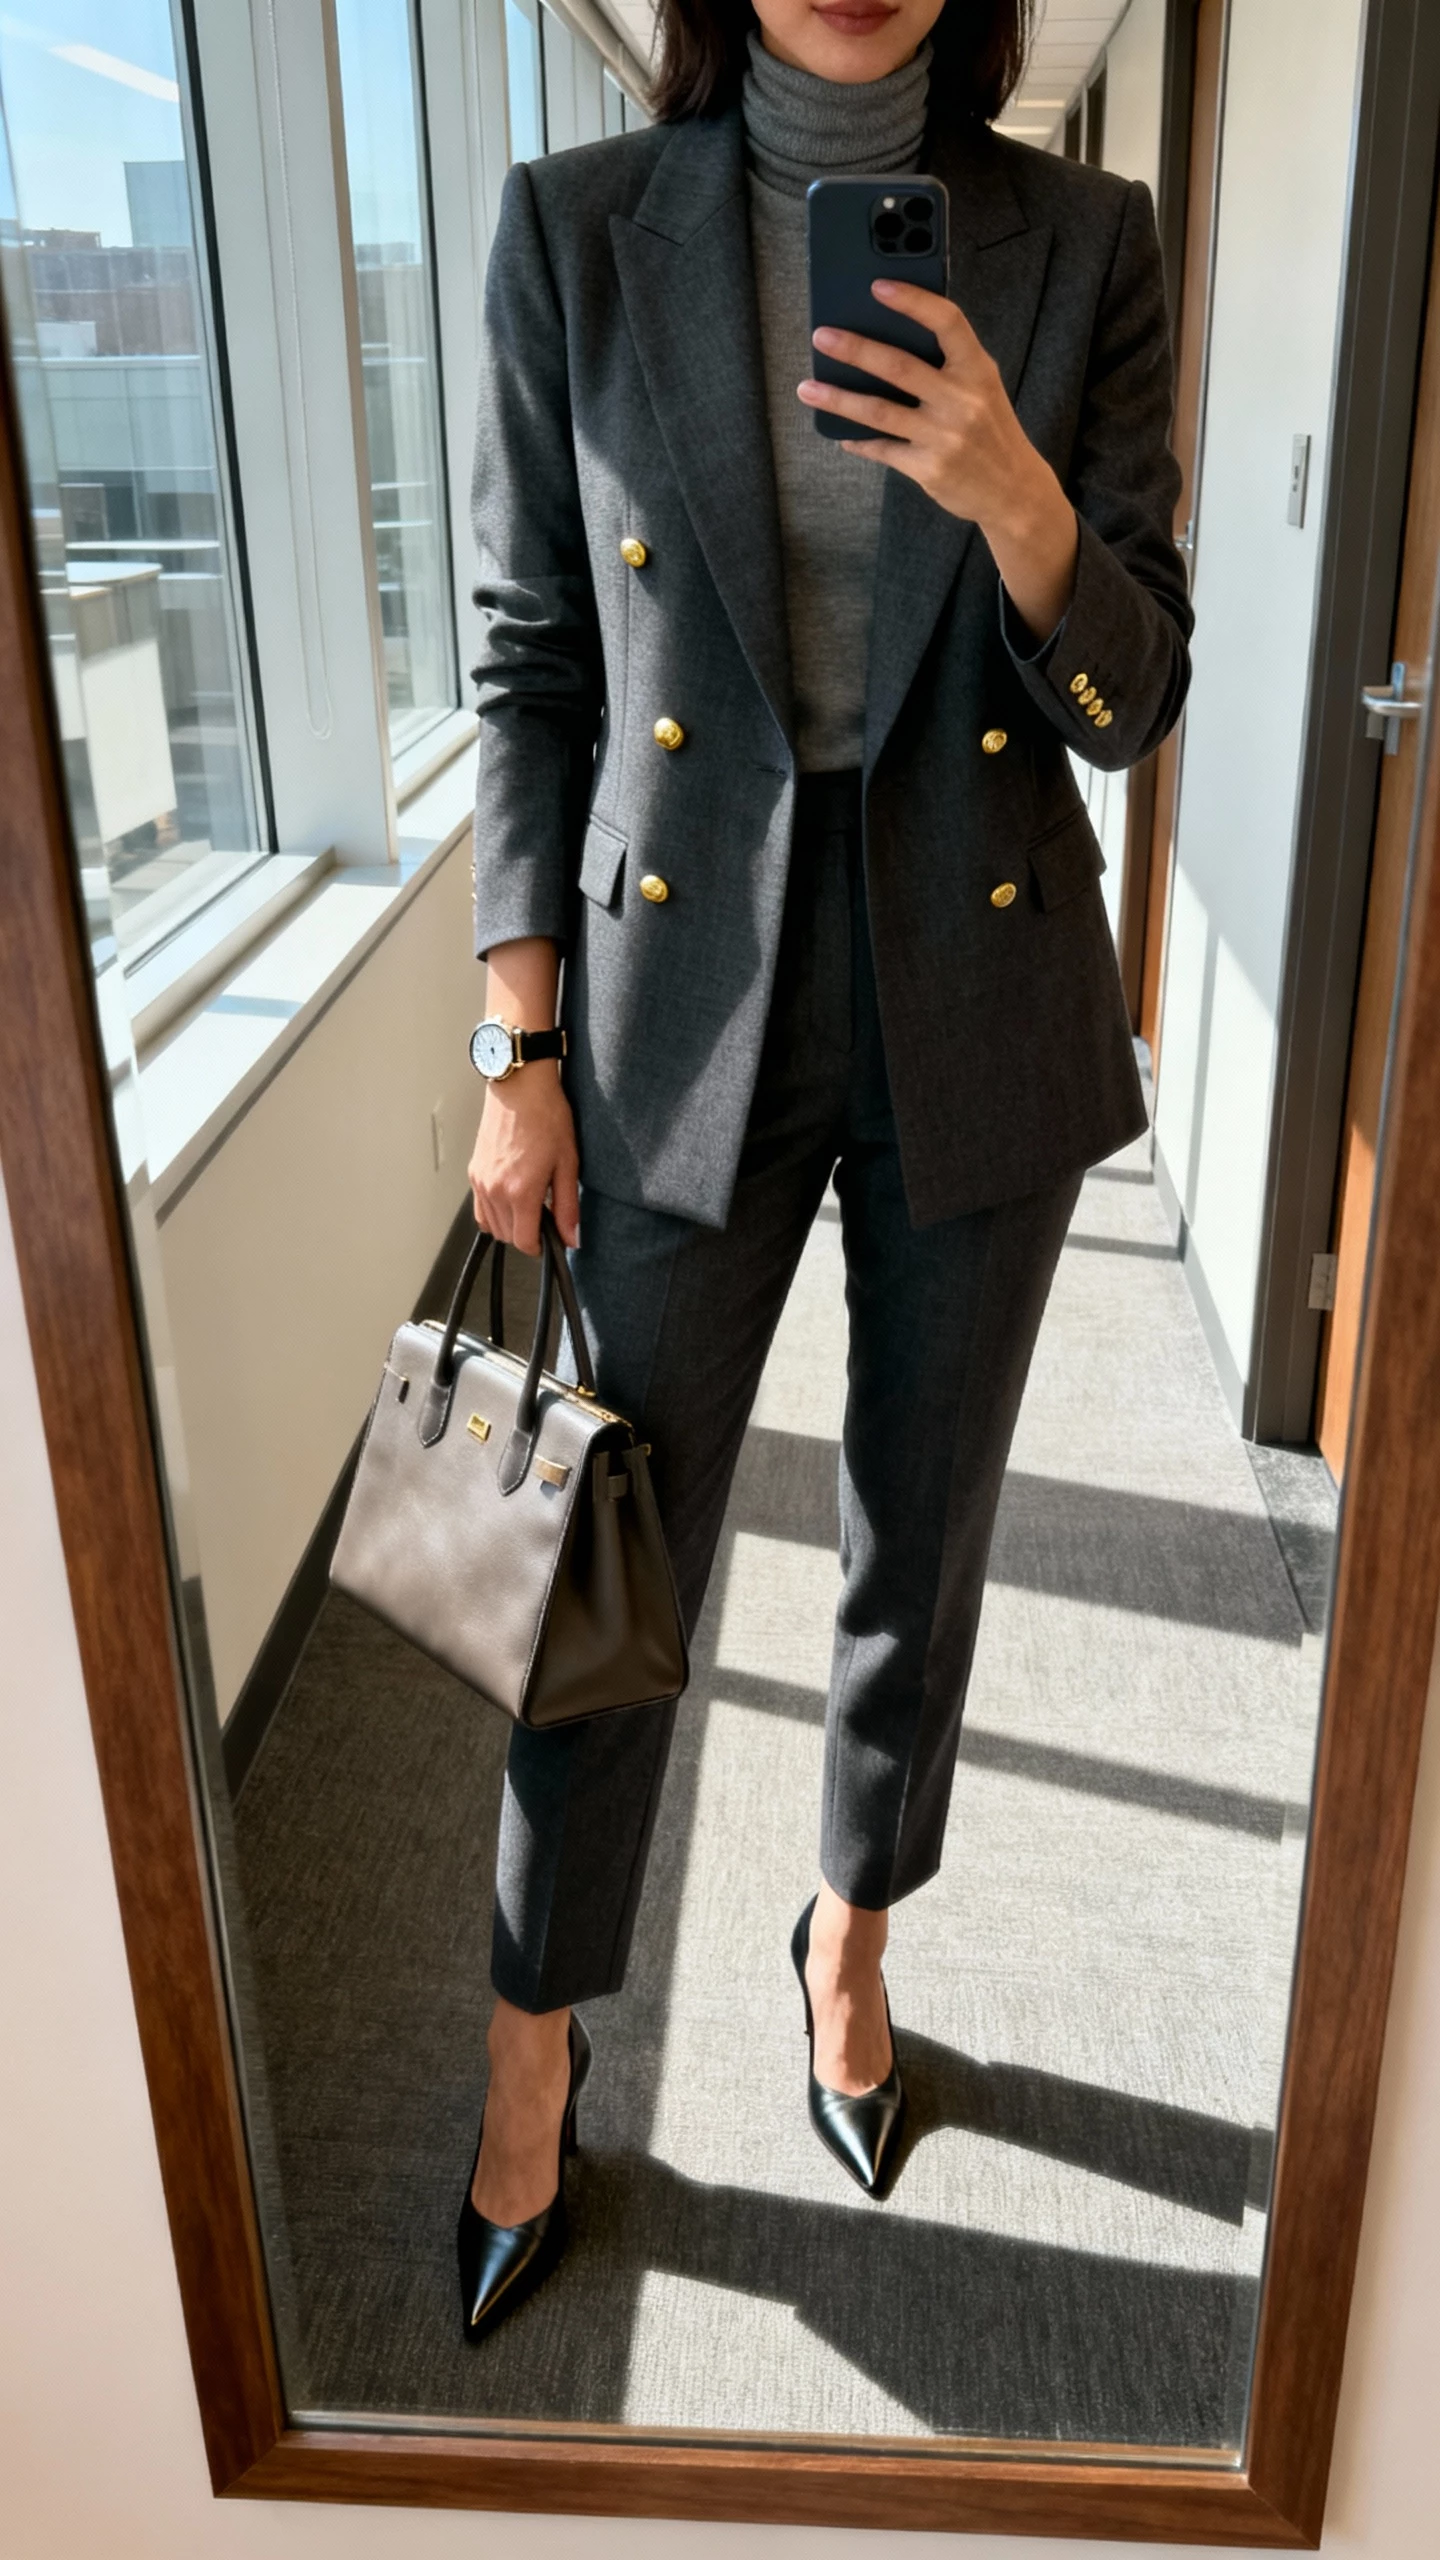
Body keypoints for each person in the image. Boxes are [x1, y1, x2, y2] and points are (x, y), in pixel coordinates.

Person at [457, 0, 1192, 2340]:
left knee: (922, 1526)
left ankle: (848, 1938)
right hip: (678, 996)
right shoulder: (575, 228)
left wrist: (1018, 497)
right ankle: (532, 2033)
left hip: (973, 990)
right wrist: (517, 1042)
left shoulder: (1084, 238)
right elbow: (532, 655)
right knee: (605, 1553)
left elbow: (1139, 685)